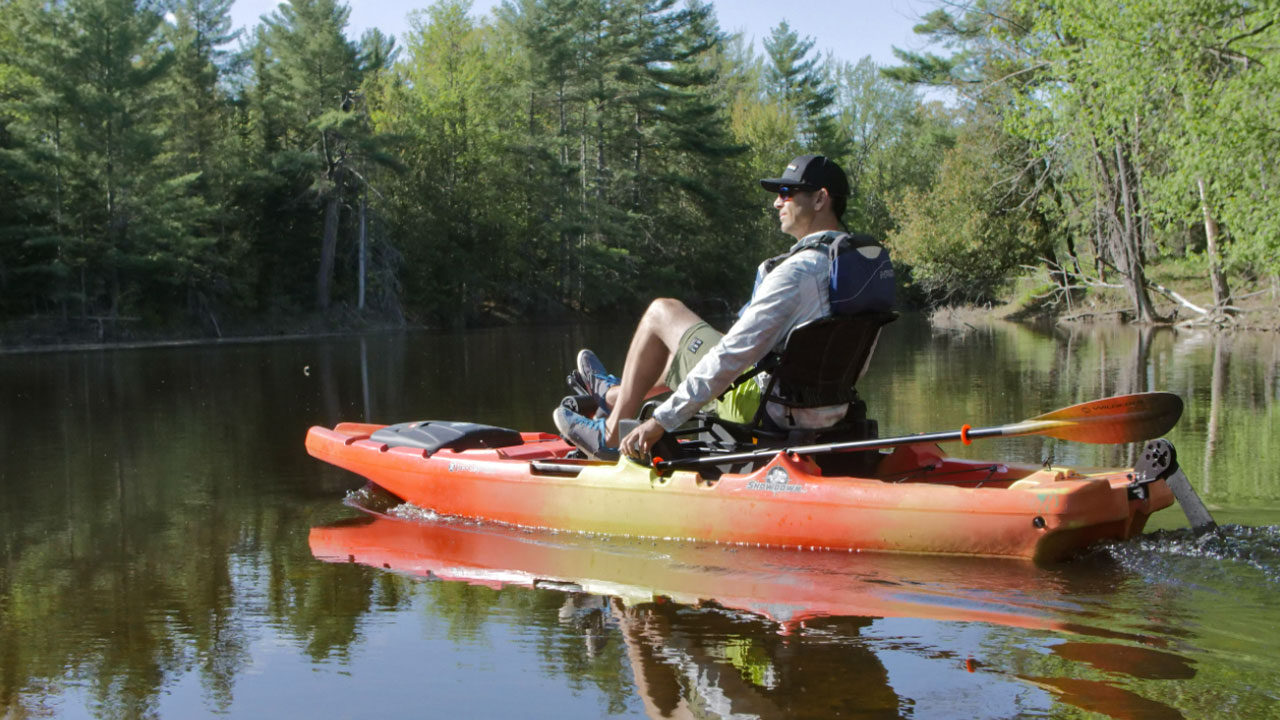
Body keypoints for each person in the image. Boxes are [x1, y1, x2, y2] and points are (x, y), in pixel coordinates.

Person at [554, 154, 863, 461]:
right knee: (698, 342)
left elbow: (730, 357)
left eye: (786, 193)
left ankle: (609, 435)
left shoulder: (796, 273)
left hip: (766, 408)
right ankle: (614, 395)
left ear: (821, 199)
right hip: (827, 410)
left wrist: (661, 420)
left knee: (662, 312)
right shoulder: (855, 268)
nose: (777, 203)